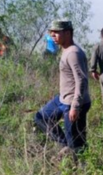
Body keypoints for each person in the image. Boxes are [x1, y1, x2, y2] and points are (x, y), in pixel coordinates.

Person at [34, 20, 91, 154]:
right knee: (41, 117)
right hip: (62, 99)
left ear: (67, 33)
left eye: (56, 33)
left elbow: (81, 80)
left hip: (73, 102)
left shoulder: (73, 53)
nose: (52, 36)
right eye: (51, 33)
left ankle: (80, 166)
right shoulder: (66, 50)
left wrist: (75, 106)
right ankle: (66, 145)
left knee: (77, 143)